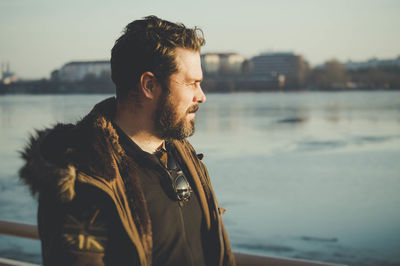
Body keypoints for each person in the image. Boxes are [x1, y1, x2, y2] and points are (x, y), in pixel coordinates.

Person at [19, 15, 235, 266]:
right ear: (150, 85)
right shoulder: (87, 179)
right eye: (192, 83)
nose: (202, 96)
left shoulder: (183, 154)